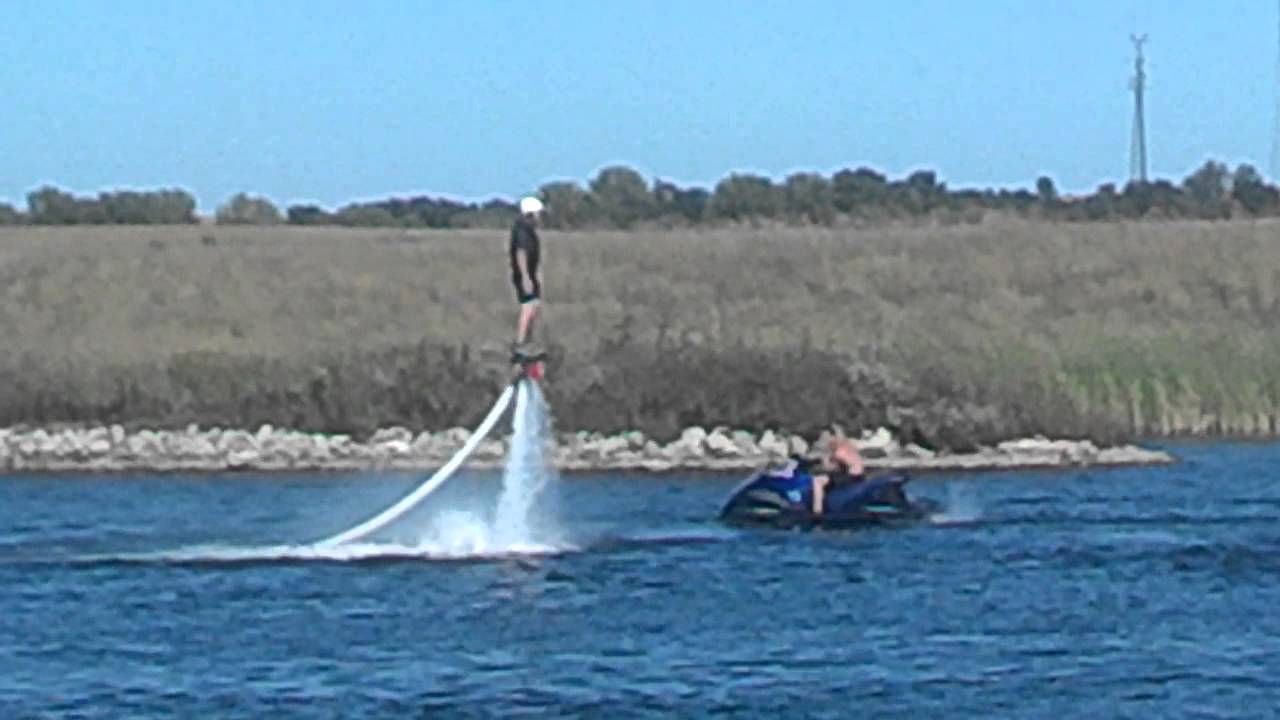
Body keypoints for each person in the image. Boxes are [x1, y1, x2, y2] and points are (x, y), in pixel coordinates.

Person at [510, 196, 543, 360]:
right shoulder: (522, 231)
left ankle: (528, 341)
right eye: (537, 213)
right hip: (525, 276)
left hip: (531, 274)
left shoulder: (528, 230)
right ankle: (520, 344)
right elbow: (520, 253)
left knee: (534, 306)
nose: (539, 217)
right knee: (528, 307)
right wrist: (525, 277)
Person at [811, 437, 866, 516]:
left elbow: (839, 466)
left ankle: (817, 512)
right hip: (858, 475)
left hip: (851, 476)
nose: (825, 442)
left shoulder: (839, 452)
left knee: (817, 481)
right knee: (826, 477)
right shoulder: (847, 446)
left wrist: (823, 464)